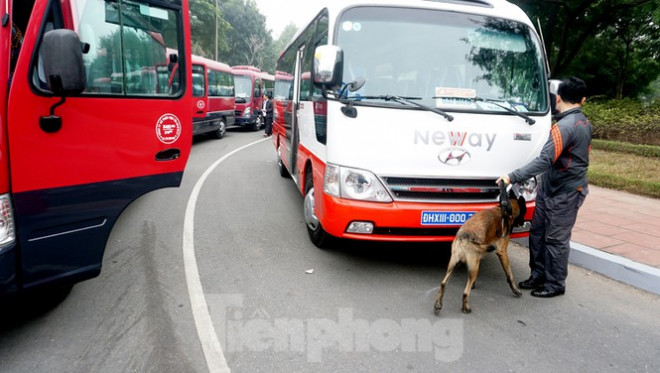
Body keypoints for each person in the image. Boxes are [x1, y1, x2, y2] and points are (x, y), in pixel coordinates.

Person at [497, 76, 591, 298]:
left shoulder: (564, 127)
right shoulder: (583, 122)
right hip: (553, 189)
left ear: (557, 98)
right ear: (583, 100)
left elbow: (544, 160)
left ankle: (555, 283)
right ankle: (538, 275)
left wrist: (513, 176)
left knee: (555, 239)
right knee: (538, 233)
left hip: (565, 193)